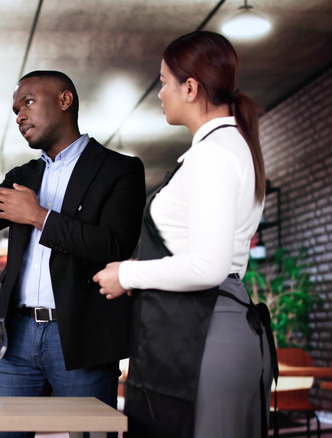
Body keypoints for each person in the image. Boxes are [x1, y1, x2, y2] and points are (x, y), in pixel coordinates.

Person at [0, 70, 145, 438]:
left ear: (65, 100)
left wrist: (38, 217)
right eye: (15, 110)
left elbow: (114, 246)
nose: (19, 116)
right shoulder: (23, 175)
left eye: (28, 102)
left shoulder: (119, 170)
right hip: (16, 338)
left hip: (81, 335)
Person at [94, 31, 275, 438]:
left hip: (205, 337)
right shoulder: (229, 146)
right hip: (205, 330)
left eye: (163, 82)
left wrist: (126, 274)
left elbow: (207, 267)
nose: (160, 93)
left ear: (190, 87)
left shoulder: (214, 155)